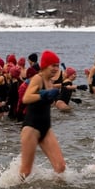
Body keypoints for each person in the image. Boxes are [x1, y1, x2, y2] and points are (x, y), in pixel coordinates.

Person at [19, 50, 66, 179]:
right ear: (45, 65)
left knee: (60, 167)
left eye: (57, 66)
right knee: (25, 172)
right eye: (53, 65)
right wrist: (43, 94)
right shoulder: (37, 78)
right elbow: (26, 98)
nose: (56, 69)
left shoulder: (50, 81)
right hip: (32, 128)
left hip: (46, 127)